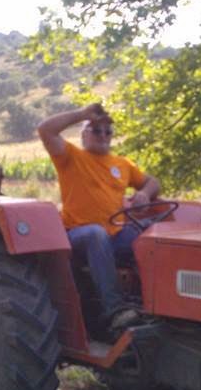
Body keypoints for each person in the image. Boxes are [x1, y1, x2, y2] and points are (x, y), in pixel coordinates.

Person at [37, 103, 161, 334]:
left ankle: (156, 305)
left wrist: (144, 193)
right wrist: (82, 114)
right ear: (84, 134)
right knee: (96, 234)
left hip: (116, 234)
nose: (103, 135)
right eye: (96, 130)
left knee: (153, 237)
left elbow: (153, 182)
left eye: (108, 132)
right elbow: (45, 129)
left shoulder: (122, 164)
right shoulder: (71, 157)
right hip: (76, 234)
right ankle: (115, 312)